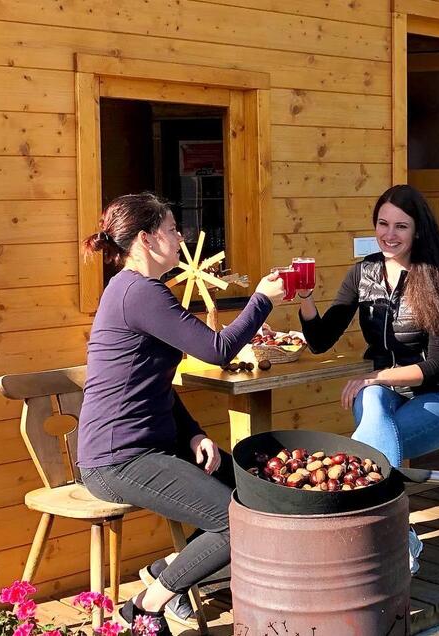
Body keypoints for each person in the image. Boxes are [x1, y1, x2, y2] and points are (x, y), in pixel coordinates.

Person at [76, 193, 285, 634]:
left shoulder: (137, 290)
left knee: (259, 498)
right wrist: (262, 300)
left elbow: (151, 383)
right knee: (234, 522)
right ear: (148, 239)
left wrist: (192, 433)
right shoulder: (140, 292)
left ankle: (164, 572)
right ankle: (146, 606)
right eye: (173, 230)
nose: (180, 237)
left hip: (154, 446)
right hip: (117, 459)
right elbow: (218, 349)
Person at [298, 185, 439, 570]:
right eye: (382, 224)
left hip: (438, 401)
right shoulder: (364, 272)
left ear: (418, 230)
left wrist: (376, 376)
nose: (389, 234)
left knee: (367, 444)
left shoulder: (437, 278)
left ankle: (360, 528)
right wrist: (306, 299)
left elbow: (437, 365)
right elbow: (322, 340)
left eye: (401, 226)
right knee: (373, 406)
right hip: (382, 399)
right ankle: (396, 535)